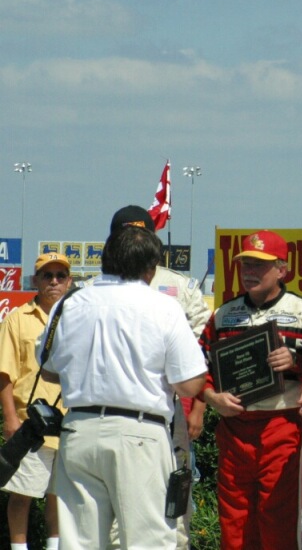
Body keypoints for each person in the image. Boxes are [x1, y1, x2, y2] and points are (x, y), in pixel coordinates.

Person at [41, 223, 208, 550]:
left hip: (79, 429)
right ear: (151, 268)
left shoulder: (70, 303)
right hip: (139, 433)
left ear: (106, 260)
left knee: (79, 543)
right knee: (148, 542)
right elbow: (190, 385)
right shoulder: (163, 307)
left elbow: (48, 371)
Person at [85, 205, 212, 550]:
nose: (134, 241)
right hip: (110, 410)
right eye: (127, 234)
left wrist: (197, 403)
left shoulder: (179, 286)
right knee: (110, 515)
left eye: (141, 234)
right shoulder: (91, 290)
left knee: (174, 499)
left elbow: (202, 347)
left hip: (167, 411)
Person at [200, 230, 302, 550]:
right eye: (245, 264)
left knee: (278, 517)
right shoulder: (222, 315)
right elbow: (198, 367)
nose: (249, 272)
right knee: (234, 519)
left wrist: (297, 362)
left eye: (259, 265)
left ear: (282, 270)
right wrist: (212, 398)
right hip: (234, 427)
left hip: (282, 425)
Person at [0, 253, 72, 550]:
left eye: (60, 275)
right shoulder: (18, 319)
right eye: (47, 275)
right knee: (22, 495)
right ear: (35, 280)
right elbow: (4, 372)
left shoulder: (77, 318)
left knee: (60, 495)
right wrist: (10, 418)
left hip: (70, 422)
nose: (54, 281)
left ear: (69, 281)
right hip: (30, 424)